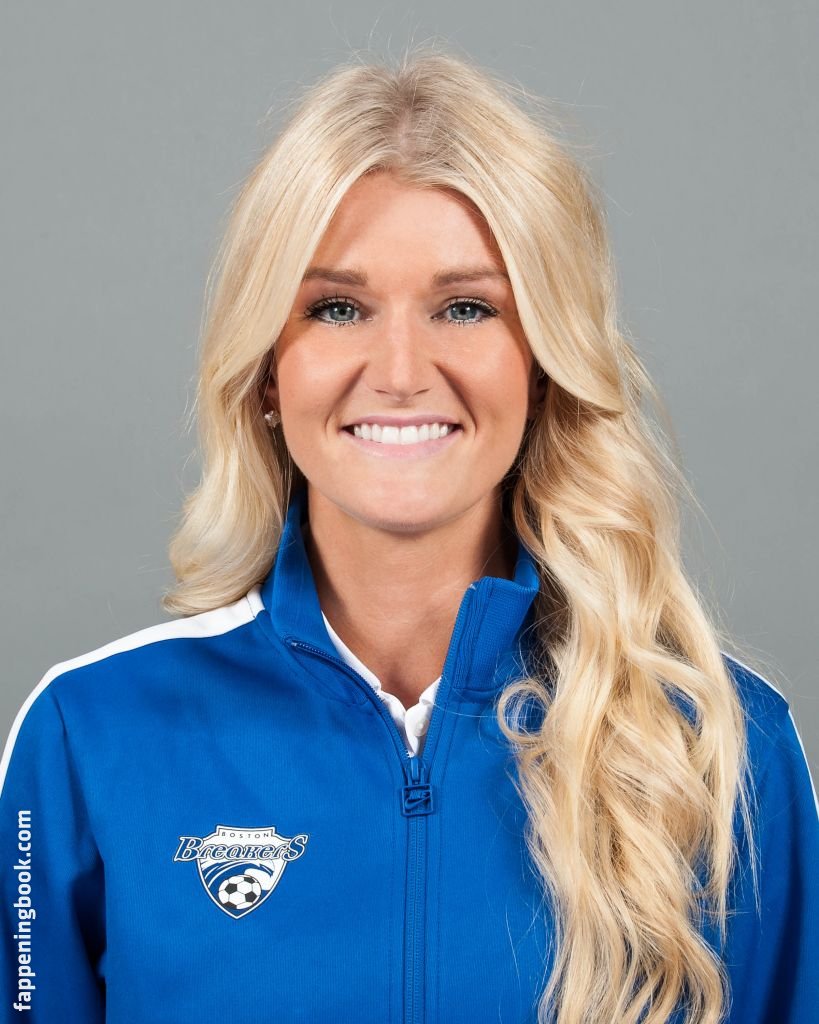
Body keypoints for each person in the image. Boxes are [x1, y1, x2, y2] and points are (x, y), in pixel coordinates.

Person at [1, 46, 817, 1024]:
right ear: (268, 370)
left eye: (465, 307)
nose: (398, 371)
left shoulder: (721, 746)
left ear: (542, 365)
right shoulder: (89, 735)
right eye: (336, 308)